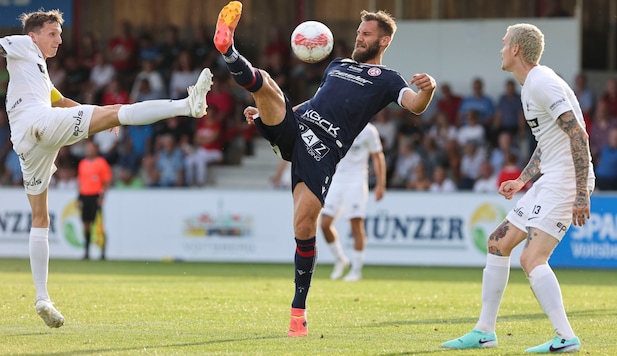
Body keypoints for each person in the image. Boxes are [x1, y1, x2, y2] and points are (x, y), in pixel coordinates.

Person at [214, 1, 435, 337]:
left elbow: (414, 105)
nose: (359, 39)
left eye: (367, 35)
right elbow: (316, 103)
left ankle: (298, 312)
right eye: (359, 33)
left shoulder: (388, 79)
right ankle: (228, 49)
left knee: (304, 227)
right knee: (268, 86)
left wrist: (428, 90)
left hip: (323, 150)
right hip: (296, 127)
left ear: (384, 41)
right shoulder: (337, 64)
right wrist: (266, 115)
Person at [0, 9, 213, 328]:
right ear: (34, 35)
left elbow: (62, 101)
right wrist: (107, 117)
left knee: (40, 218)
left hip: (27, 142)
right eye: (53, 33)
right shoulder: (22, 43)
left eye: (60, 34)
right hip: (39, 124)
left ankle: (42, 297)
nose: (59, 40)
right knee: (118, 111)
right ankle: (186, 106)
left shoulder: (37, 71)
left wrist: (100, 119)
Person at [442, 23, 594, 353]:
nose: (500, 48)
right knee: (498, 243)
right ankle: (484, 332)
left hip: (566, 180)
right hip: (550, 178)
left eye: (504, 42)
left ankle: (566, 337)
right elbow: (548, 142)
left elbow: (579, 135)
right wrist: (523, 180)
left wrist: (581, 192)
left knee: (531, 258)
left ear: (515, 50)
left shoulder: (542, 83)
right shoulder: (530, 86)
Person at [320, 122, 386, 282]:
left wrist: (381, 184)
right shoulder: (336, 124)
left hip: (357, 179)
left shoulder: (369, 131)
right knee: (324, 223)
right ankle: (341, 259)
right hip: (336, 179)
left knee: (356, 224)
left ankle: (356, 270)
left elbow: (377, 156)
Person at [77, 140, 112, 260]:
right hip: (85, 196)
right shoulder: (82, 163)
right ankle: (87, 252)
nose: (89, 150)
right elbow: (80, 182)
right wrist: (79, 198)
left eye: (91, 148)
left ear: (95, 149)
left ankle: (102, 252)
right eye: (87, 148)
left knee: (99, 226)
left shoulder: (102, 163)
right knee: (86, 225)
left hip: (96, 196)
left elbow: (107, 181)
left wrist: (102, 197)